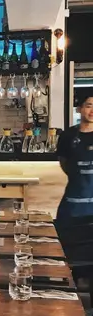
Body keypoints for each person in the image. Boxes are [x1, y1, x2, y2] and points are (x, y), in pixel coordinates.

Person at [57, 92, 93, 221]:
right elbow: (64, 163)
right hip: (73, 205)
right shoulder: (67, 135)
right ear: (79, 109)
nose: (92, 111)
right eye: (88, 106)